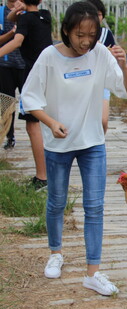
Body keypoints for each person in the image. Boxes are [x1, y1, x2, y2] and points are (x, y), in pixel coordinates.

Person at [21, 1, 127, 296]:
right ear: (66, 30)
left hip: (92, 143)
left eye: (91, 34)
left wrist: (123, 65)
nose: (86, 41)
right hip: (58, 143)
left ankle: (93, 273)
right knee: (56, 202)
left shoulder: (100, 54)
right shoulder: (49, 57)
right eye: (79, 35)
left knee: (95, 207)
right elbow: (30, 98)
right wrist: (50, 122)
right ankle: (56, 253)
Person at [0, 0, 52, 189]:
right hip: (47, 76)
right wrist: (19, 11)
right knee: (44, 124)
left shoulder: (26, 21)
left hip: (32, 78)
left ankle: (42, 176)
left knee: (32, 126)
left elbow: (17, 41)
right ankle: (48, 173)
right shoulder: (45, 16)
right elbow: (10, 17)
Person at [86, 0, 115, 134]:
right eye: (93, 14)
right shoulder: (79, 34)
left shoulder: (106, 34)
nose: (97, 18)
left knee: (103, 120)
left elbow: (112, 54)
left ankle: (99, 144)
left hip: (102, 82)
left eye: (99, 14)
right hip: (83, 81)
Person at [0, 0, 25, 150]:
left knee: (29, 101)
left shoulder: (27, 12)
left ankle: (37, 133)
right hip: (5, 65)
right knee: (7, 102)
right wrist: (12, 34)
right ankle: (9, 136)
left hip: (24, 65)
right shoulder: (1, 13)